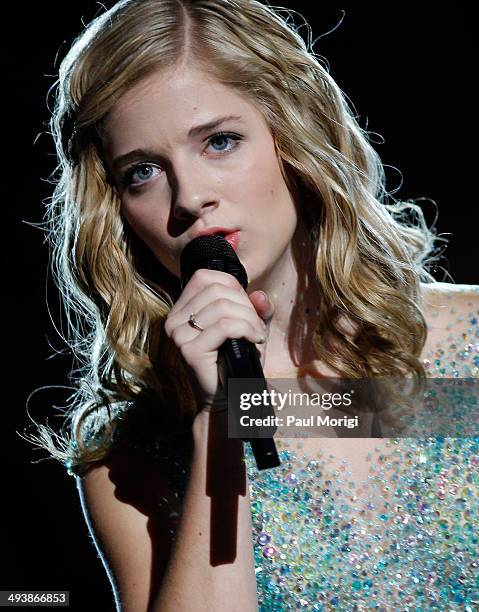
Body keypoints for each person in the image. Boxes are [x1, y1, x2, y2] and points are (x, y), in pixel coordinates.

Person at [26, 0, 478, 610]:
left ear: (293, 133)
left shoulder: (469, 344)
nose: (190, 198)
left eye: (220, 141)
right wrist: (222, 419)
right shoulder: (132, 460)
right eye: (143, 173)